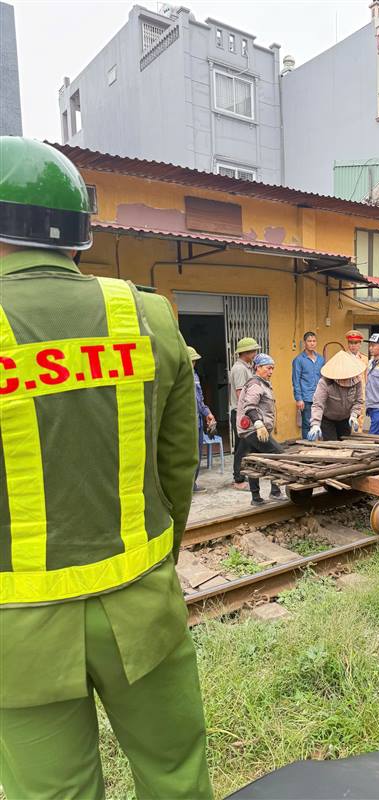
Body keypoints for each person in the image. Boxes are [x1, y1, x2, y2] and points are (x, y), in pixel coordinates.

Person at [0, 138, 212, 799]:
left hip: (16, 632)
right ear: (75, 234)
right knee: (175, 776)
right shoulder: (144, 315)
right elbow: (179, 467)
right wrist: (152, 562)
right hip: (141, 608)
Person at [235, 353, 284, 506]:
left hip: (251, 431)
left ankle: (256, 498)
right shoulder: (256, 384)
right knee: (278, 454)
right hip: (254, 430)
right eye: (268, 368)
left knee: (253, 462)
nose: (271, 371)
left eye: (272, 369)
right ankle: (275, 491)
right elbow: (250, 406)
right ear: (258, 367)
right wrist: (258, 423)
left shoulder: (262, 383)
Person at [308, 350, 365, 441]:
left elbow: (358, 401)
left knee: (346, 445)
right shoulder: (325, 383)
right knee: (331, 446)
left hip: (345, 419)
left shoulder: (356, 381)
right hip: (328, 419)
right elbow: (318, 404)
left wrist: (354, 415)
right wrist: (315, 424)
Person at [229, 337, 259, 489]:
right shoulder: (240, 369)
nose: (255, 353)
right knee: (242, 446)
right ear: (245, 353)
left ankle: (241, 475)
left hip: (243, 412)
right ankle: (238, 479)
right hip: (241, 413)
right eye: (253, 351)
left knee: (246, 446)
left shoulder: (246, 367)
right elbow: (241, 393)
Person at [188, 346, 217, 493]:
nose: (193, 364)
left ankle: (192, 484)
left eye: (194, 361)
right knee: (187, 456)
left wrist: (207, 413)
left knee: (198, 454)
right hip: (186, 425)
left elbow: (199, 400)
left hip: (198, 422)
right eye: (191, 361)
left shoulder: (195, 376)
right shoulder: (179, 379)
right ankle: (186, 488)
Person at [292, 331, 325, 439]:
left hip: (320, 397)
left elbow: (324, 378)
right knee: (307, 424)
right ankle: (307, 448)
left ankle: (318, 449)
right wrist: (298, 399)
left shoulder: (321, 359)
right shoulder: (299, 360)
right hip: (306, 398)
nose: (312, 343)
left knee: (320, 423)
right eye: (309, 341)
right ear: (304, 343)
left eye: (314, 341)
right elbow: (296, 380)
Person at [346, 329, 369, 430]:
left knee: (359, 421)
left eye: (355, 343)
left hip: (360, 394)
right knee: (346, 420)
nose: (353, 345)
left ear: (360, 344)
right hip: (346, 394)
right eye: (351, 343)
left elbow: (367, 378)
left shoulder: (364, 359)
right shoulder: (343, 357)